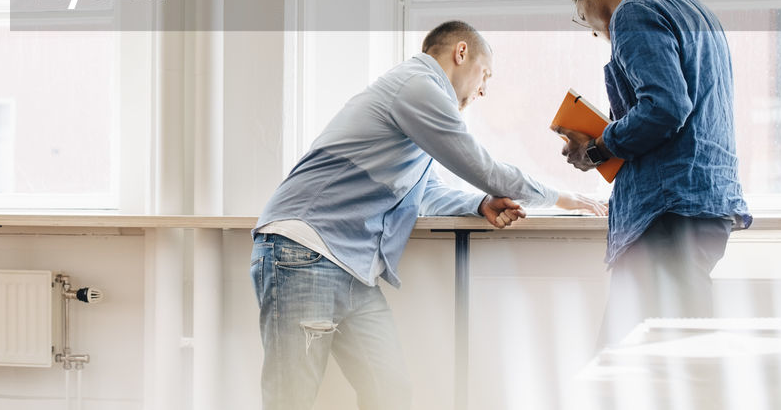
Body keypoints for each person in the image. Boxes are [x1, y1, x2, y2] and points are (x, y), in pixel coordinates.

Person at [251, 20, 603, 410]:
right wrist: (561, 197)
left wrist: (479, 204)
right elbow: (483, 167)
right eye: (485, 75)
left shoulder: (416, 108)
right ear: (461, 53)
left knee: (391, 392)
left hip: (350, 266)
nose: (484, 89)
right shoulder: (416, 86)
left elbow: (424, 193)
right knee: (291, 400)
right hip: (305, 251)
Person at [555, 0, 752, 347]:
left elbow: (665, 107)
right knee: (676, 362)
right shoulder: (694, 10)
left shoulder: (633, 12)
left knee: (623, 366)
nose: (593, 29)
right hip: (702, 204)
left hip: (668, 212)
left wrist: (595, 148)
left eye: (583, 18)